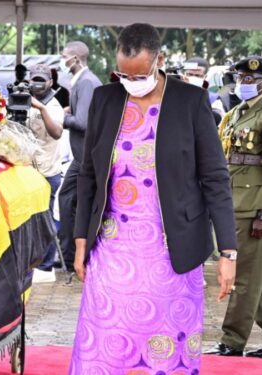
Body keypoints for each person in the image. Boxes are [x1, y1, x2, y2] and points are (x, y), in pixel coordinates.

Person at [69, 23, 237, 373]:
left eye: (140, 74)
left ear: (158, 60)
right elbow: (88, 176)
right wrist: (81, 240)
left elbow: (216, 179)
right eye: (123, 74)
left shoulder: (190, 101)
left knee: (166, 346)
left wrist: (228, 252)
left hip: (172, 250)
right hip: (113, 248)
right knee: (106, 341)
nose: (132, 83)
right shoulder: (105, 99)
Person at [208, 56, 262, 358]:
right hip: (234, 201)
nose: (244, 84)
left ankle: (232, 341)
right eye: (241, 79)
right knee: (255, 279)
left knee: (243, 276)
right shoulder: (237, 113)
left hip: (254, 206)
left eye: (252, 80)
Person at [57, 41, 102, 272]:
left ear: (75, 59)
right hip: (81, 156)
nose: (61, 60)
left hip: (87, 158)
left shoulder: (86, 82)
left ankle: (75, 256)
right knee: (68, 201)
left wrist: (59, 117)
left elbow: (83, 123)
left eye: (63, 56)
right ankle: (71, 255)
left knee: (73, 203)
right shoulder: (85, 82)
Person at [27, 65, 64, 279]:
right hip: (27, 169)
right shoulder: (24, 99)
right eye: (34, 79)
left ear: (50, 82)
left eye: (42, 80)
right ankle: (32, 261)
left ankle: (46, 265)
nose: (37, 84)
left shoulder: (53, 105)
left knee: (45, 217)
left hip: (47, 171)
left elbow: (57, 132)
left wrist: (42, 108)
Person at [183, 56, 224, 124]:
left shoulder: (212, 96)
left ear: (205, 77)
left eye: (197, 75)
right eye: (190, 74)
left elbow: (218, 118)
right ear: (184, 74)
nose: (193, 77)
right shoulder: (174, 91)